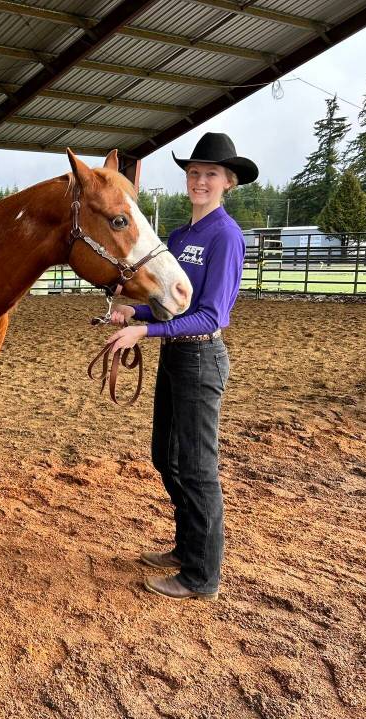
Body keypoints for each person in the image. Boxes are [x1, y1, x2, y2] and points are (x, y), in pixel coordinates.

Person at [104, 132, 258, 602]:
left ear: (228, 181)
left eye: (210, 174)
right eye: (194, 173)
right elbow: (176, 307)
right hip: (178, 356)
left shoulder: (226, 236)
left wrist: (144, 333)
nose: (200, 181)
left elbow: (212, 315)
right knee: (165, 456)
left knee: (196, 467)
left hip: (202, 358)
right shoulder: (179, 236)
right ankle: (186, 548)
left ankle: (201, 576)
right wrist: (138, 313)